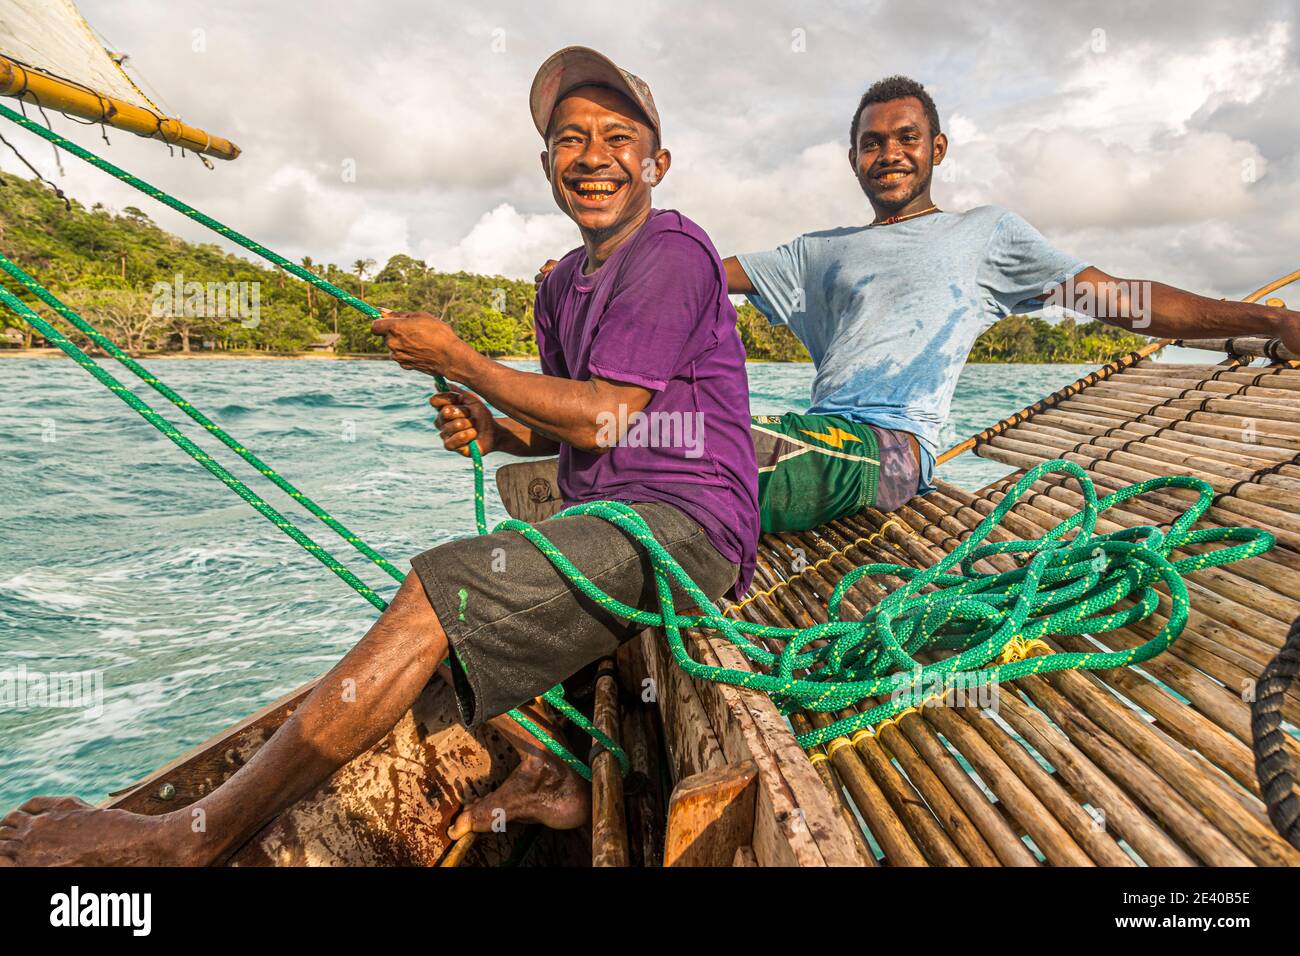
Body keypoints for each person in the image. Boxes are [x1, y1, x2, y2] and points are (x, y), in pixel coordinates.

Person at [0, 46, 758, 866]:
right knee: (457, 624)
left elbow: (606, 420)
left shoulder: (675, 251)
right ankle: (554, 773)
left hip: (687, 530)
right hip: (608, 519)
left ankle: (188, 839)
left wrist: (463, 361)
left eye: (618, 136)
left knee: (439, 592)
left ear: (658, 162)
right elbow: (571, 422)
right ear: (547, 164)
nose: (594, 157)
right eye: (570, 139)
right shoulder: (560, 284)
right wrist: (499, 430)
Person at [539, 75, 1300, 534]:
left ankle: (605, 504)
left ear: (937, 149)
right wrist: (587, 263)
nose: (890, 154)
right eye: (873, 143)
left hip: (890, 452)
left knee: (704, 472)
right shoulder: (816, 252)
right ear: (854, 160)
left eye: (907, 139)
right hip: (812, 432)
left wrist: (1268, 319)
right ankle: (590, 491)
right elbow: (687, 270)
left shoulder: (986, 235)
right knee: (677, 433)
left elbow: (1128, 304)